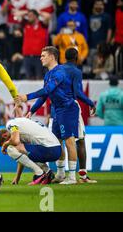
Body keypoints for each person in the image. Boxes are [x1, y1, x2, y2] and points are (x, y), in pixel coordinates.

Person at [16, 46, 80, 185]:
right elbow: (45, 95)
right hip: (57, 110)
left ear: (52, 56)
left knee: (69, 141)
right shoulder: (48, 74)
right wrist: (32, 110)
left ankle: (72, 177)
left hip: (68, 109)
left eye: (43, 55)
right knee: (57, 142)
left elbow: (48, 89)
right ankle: (61, 174)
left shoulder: (60, 72)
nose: (40, 58)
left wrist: (27, 96)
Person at [59, 48, 97, 184]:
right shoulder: (76, 71)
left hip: (57, 108)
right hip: (70, 107)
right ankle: (82, 175)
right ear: (77, 57)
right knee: (80, 140)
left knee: (61, 142)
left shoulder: (58, 69)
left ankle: (61, 173)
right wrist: (90, 103)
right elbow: (77, 92)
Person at [0, 115, 61, 185]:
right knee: (18, 148)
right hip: (55, 149)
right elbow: (23, 156)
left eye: (3, 143)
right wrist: (18, 177)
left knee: (10, 149)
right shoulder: (19, 124)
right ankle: (48, 173)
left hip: (49, 148)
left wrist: (5, 145)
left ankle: (40, 174)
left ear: (4, 136)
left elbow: (15, 141)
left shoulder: (10, 124)